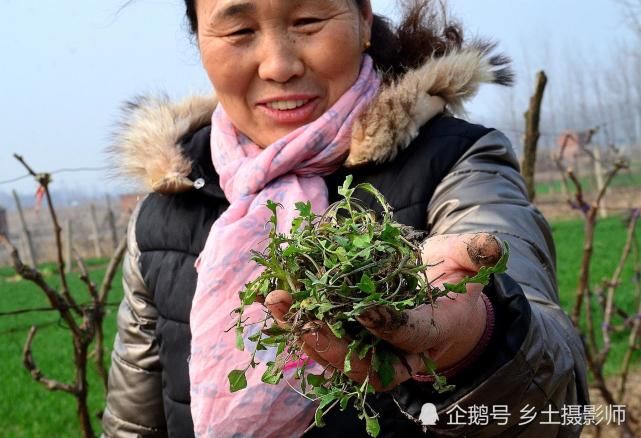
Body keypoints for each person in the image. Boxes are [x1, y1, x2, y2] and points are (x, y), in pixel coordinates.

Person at [103, 0, 589, 437]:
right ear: (200, 40)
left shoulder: (457, 164)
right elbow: (132, 424)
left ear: (363, 21)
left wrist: (475, 338)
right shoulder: (167, 208)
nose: (279, 65)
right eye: (239, 31)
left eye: (308, 20)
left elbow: (555, 401)